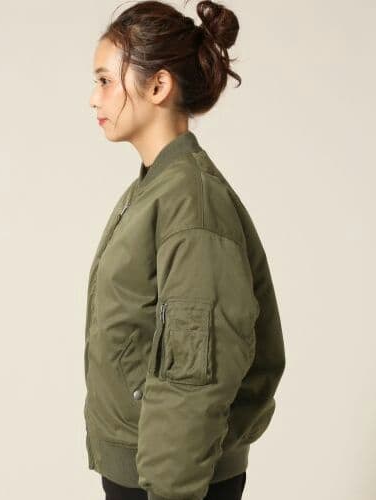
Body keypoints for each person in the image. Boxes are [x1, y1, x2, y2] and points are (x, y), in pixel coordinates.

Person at [84, 1, 286, 499]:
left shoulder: (191, 203)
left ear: (158, 86)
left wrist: (169, 489)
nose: (94, 98)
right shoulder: (155, 190)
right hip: (146, 467)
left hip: (173, 480)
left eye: (106, 81)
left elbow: (196, 375)